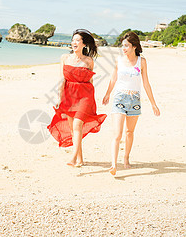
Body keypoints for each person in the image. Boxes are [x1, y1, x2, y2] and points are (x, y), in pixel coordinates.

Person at [102, 31, 160, 175]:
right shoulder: (119, 60)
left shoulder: (142, 61)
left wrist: (153, 103)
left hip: (135, 100)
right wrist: (107, 94)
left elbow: (146, 83)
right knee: (117, 133)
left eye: (126, 46)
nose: (124, 48)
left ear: (134, 46)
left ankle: (126, 158)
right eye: (122, 46)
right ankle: (113, 164)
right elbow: (113, 79)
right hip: (119, 99)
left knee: (129, 132)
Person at [48, 29, 107, 167]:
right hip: (69, 96)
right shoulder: (64, 58)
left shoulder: (89, 61)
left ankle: (73, 158)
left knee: (77, 125)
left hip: (84, 96)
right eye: (73, 40)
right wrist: (59, 98)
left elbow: (91, 82)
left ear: (84, 44)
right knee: (74, 130)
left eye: (77, 40)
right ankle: (80, 159)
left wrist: (92, 101)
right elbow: (61, 80)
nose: (74, 42)